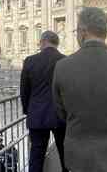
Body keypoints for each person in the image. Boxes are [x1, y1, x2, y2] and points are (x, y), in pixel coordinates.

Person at [53, 7, 107, 172]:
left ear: (83, 32)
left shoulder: (62, 67)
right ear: (105, 32)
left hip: (79, 157)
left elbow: (61, 113)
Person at [20, 31, 68, 172]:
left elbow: (24, 91)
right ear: (56, 43)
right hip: (60, 116)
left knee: (36, 156)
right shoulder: (65, 61)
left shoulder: (30, 60)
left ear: (42, 41)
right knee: (65, 155)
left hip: (37, 115)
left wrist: (27, 111)